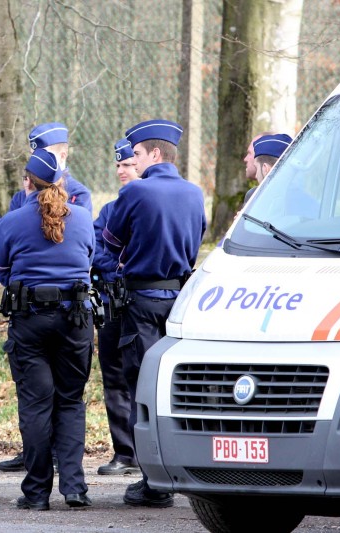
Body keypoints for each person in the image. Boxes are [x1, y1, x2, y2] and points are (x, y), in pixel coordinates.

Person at [102, 119, 206, 508]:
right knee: (176, 390)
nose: (134, 160)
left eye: (138, 154)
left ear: (155, 154)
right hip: (178, 301)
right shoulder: (195, 194)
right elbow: (198, 238)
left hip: (141, 302)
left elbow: (111, 239)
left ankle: (153, 483)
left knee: (141, 390)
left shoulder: (137, 192)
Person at [0, 148, 95, 511]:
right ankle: (75, 487)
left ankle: (36, 493)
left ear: (27, 183)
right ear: (61, 183)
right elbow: (89, 259)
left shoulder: (12, 221)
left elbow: (1, 271)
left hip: (30, 320)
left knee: (36, 406)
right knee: (70, 401)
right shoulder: (82, 218)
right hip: (75, 321)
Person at [90, 140, 140, 476]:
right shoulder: (109, 210)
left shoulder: (153, 204)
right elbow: (96, 253)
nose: (122, 171)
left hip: (142, 303)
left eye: (128, 165)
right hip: (111, 302)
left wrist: (126, 263)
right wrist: (117, 267)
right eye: (118, 166)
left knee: (144, 378)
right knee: (115, 378)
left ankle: (147, 451)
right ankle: (124, 452)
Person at [6, 122, 92, 214]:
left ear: (63, 156)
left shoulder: (78, 194)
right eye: (33, 155)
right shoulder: (20, 197)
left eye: (44, 155)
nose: (36, 160)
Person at [243, 133, 292, 204]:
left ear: (266, 169)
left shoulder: (257, 199)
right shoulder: (303, 199)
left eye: (257, 167)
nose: (256, 176)